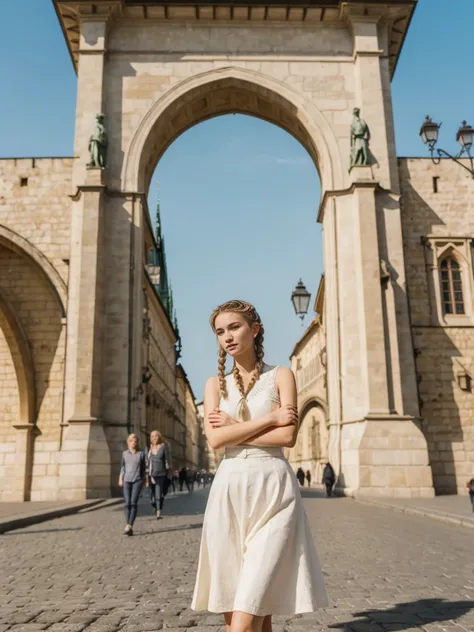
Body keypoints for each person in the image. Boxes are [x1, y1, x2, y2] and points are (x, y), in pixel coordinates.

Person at [191, 299, 328, 631]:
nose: (227, 336)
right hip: (229, 490)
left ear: (255, 329)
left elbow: (288, 436)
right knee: (245, 603)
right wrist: (270, 419)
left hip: (274, 488)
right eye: (220, 331)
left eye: (234, 327)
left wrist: (232, 429)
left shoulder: (282, 375)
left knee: (249, 607)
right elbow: (215, 441)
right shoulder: (213, 385)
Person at [119, 433, 147, 536]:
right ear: (128, 442)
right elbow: (122, 467)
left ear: (137, 442)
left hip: (137, 480)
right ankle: (128, 525)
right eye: (131, 441)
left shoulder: (141, 454)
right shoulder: (124, 454)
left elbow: (144, 468)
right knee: (127, 503)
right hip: (126, 480)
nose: (133, 443)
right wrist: (120, 478)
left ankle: (129, 525)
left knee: (133, 502)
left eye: (135, 441)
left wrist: (145, 479)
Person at [148, 430, 172, 519]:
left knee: (158, 494)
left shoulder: (163, 447)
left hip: (161, 473)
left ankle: (158, 512)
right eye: (152, 436)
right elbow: (147, 461)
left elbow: (167, 459)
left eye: (156, 436)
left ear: (159, 437)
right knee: (151, 498)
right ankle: (156, 505)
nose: (154, 438)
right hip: (151, 474)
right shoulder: (149, 448)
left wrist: (169, 470)